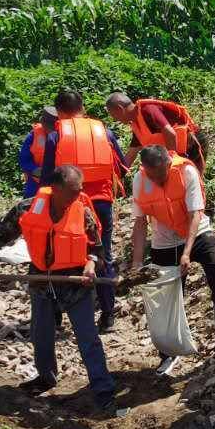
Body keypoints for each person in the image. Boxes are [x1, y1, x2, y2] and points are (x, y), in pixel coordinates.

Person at [0, 165, 120, 416]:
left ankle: (103, 390)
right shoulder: (29, 207)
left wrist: (90, 266)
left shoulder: (83, 210)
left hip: (75, 283)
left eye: (79, 191)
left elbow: (97, 252)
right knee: (41, 334)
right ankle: (46, 377)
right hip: (42, 279)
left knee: (88, 339)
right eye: (72, 192)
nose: (77, 196)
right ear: (54, 189)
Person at [128, 144, 215, 376]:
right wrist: (137, 261)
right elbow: (140, 223)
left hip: (197, 232)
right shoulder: (140, 181)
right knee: (165, 292)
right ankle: (169, 352)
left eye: (161, 174)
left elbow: (195, 214)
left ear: (168, 164)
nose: (158, 180)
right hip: (164, 241)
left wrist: (187, 252)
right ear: (145, 170)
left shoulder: (186, 172)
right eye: (153, 176)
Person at [40, 90, 127, 331]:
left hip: (68, 204)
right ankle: (108, 316)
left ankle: (56, 316)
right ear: (83, 107)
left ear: (59, 112)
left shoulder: (55, 136)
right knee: (103, 256)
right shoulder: (105, 132)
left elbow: (48, 178)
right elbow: (122, 165)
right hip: (101, 203)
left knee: (57, 256)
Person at [104, 93, 205, 171]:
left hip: (193, 144)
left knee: (192, 183)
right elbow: (131, 155)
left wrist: (171, 164)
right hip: (179, 152)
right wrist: (118, 174)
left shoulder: (148, 110)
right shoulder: (137, 126)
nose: (115, 119)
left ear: (120, 109)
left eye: (113, 115)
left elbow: (170, 133)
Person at [16, 107, 58, 198]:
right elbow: (24, 159)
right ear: (42, 123)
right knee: (30, 205)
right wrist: (34, 169)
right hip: (35, 182)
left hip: (57, 182)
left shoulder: (64, 135)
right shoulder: (33, 135)